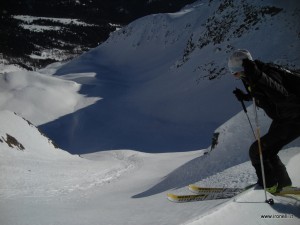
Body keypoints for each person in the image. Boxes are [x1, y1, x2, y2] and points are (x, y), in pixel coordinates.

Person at [227, 49, 300, 193]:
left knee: (256, 151)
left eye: (235, 72)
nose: (235, 76)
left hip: (294, 119)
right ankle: (284, 186)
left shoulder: (264, 74)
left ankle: (268, 187)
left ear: (243, 68)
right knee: (267, 152)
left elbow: (282, 95)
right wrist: (247, 97)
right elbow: (265, 94)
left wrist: (259, 77)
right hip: (285, 119)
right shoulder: (252, 76)